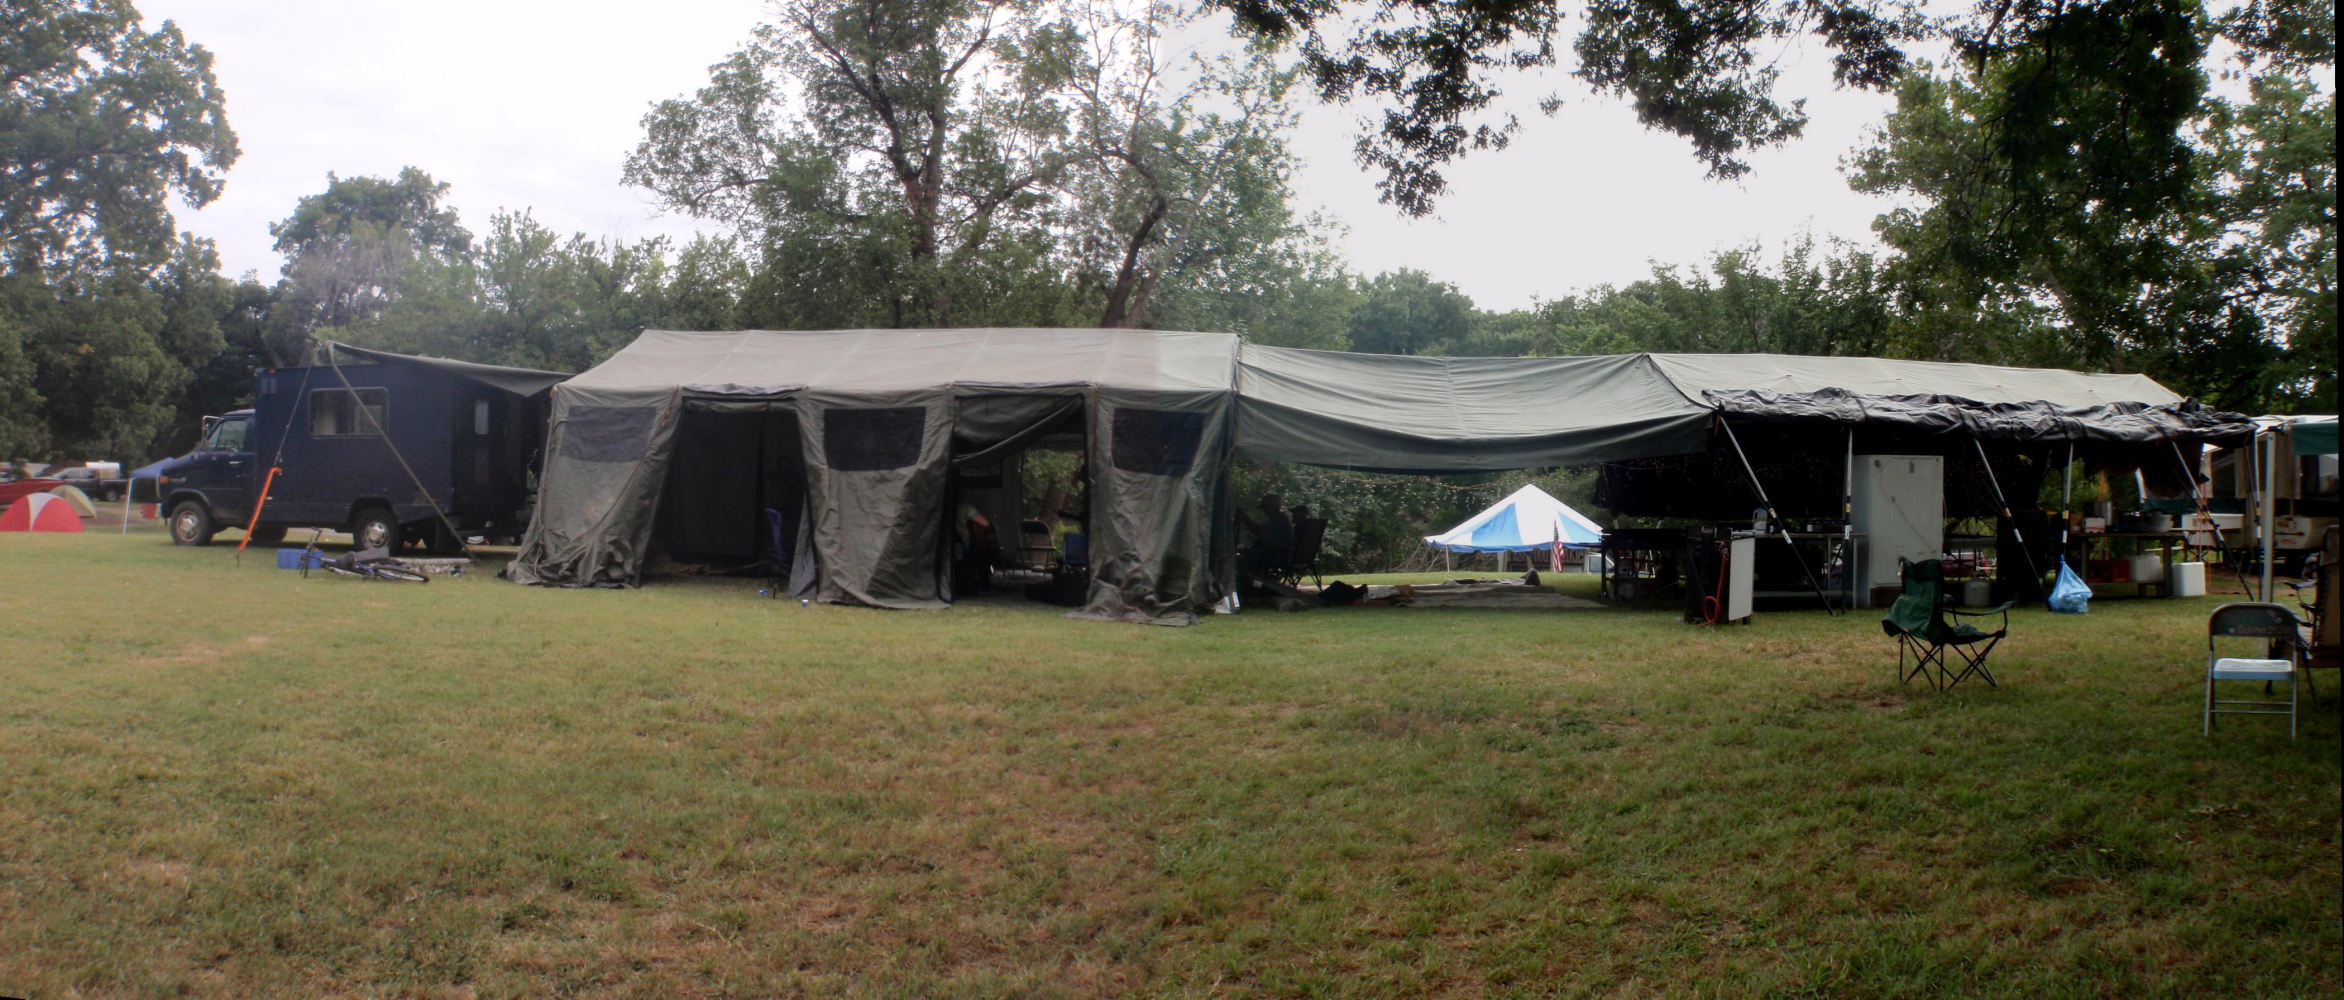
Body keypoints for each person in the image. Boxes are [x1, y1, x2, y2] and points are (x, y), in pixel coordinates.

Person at [1237, 493, 1295, 577]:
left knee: (1241, 555)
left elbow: (1259, 532)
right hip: (1276, 554)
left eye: (1266, 507)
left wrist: (1244, 518)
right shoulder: (1278, 518)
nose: (1264, 510)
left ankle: (1250, 580)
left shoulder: (1278, 519)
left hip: (1277, 556)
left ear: (1275, 506)